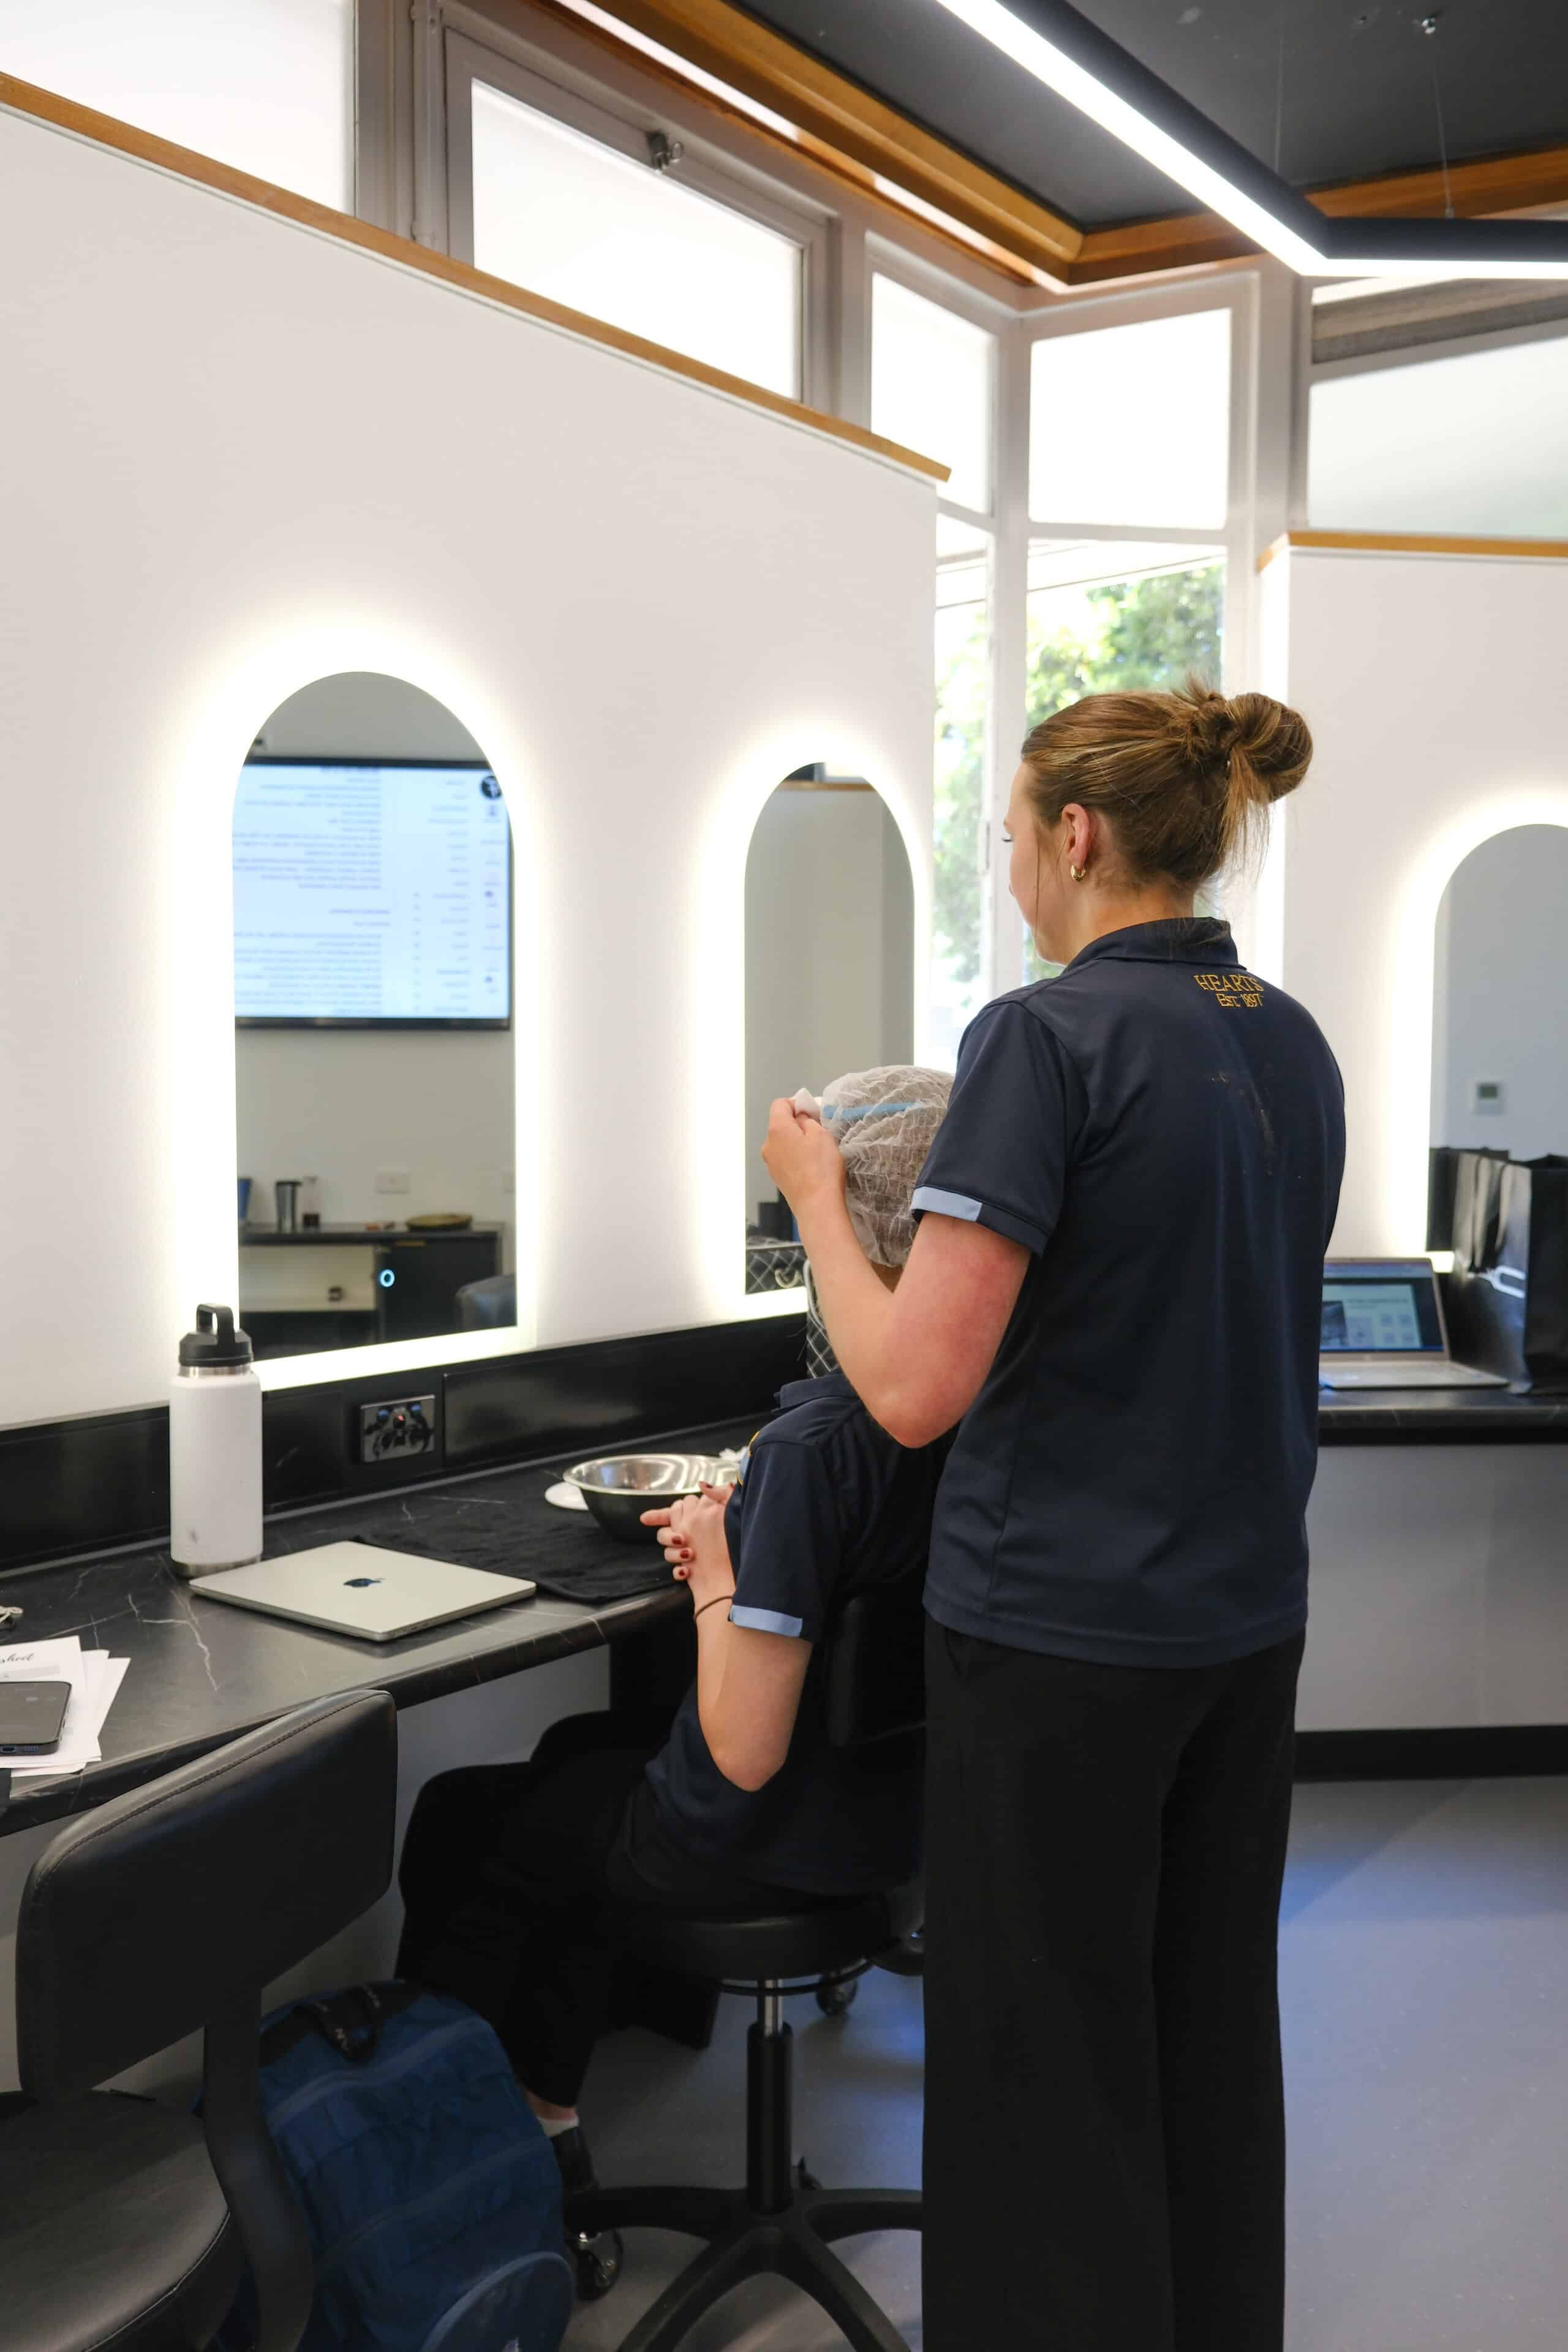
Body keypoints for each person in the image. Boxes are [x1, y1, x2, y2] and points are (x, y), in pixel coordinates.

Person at [762, 681, 1345, 2352]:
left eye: (1012, 836)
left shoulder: (1043, 1037)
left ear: (1075, 836)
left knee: (1041, 2073)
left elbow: (911, 1388)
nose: (1011, 867)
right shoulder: (1284, 1034)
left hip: (1060, 1638)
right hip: (1240, 1627)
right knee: (1201, 2038)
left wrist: (817, 1202)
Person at [396, 1066, 952, 2214]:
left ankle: (448, 2159)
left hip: (759, 1834)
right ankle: (550, 2100)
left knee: (464, 1813)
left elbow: (740, 1754)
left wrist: (719, 1573)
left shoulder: (813, 1452)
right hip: (897, 1821)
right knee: (572, 1760)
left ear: (837, 1228)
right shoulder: (981, 1407)